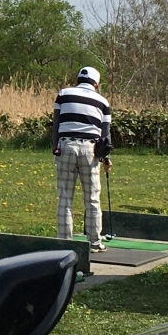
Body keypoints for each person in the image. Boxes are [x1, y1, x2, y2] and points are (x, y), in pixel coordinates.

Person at [54, 66, 113, 249]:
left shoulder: (63, 94)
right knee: (92, 198)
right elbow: (105, 136)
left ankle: (64, 242)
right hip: (91, 149)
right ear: (96, 84)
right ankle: (94, 242)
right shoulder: (103, 102)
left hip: (66, 145)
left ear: (78, 80)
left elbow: (56, 123)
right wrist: (106, 159)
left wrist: (55, 148)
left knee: (65, 197)